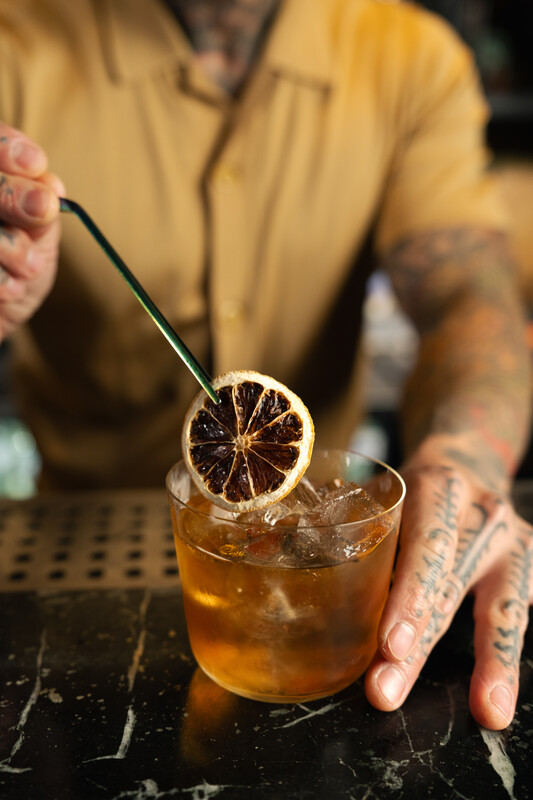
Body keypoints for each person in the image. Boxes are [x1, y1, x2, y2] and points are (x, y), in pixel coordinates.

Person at [0, 0, 531, 731]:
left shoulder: (410, 54)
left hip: (322, 566)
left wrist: (464, 460)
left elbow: (465, 293)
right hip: (68, 568)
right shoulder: (16, 48)